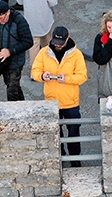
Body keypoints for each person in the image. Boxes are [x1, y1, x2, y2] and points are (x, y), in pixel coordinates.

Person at [31, 26, 88, 165]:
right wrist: (42, 76)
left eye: (60, 43)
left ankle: (75, 161)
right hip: (52, 102)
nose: (57, 45)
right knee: (56, 135)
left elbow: (82, 77)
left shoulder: (77, 55)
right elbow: (34, 71)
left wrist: (67, 78)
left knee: (74, 134)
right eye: (55, 42)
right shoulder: (44, 52)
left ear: (67, 39)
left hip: (71, 103)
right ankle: (60, 160)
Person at [0, 0, 33, 101]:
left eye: (1, 18)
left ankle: (14, 111)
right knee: (11, 85)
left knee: (12, 89)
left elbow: (28, 42)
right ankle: (22, 105)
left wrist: (9, 51)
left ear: (8, 12)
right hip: (2, 61)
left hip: (15, 62)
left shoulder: (19, 21)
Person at [15, 0, 57, 69]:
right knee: (47, 44)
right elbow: (53, 2)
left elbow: (19, 1)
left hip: (30, 19)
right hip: (45, 18)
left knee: (33, 46)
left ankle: (35, 70)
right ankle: (49, 66)